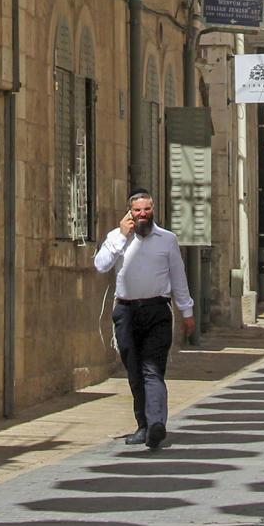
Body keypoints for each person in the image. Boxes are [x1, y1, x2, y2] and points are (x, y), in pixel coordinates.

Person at [92, 190, 196, 450]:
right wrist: (120, 236)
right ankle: (144, 425)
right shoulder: (117, 239)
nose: (142, 214)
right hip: (126, 312)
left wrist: (187, 311)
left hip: (157, 311)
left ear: (153, 210)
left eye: (146, 209)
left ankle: (157, 424)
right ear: (130, 212)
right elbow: (100, 265)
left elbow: (178, 277)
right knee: (135, 372)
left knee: (152, 369)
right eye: (137, 210)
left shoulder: (167, 240)